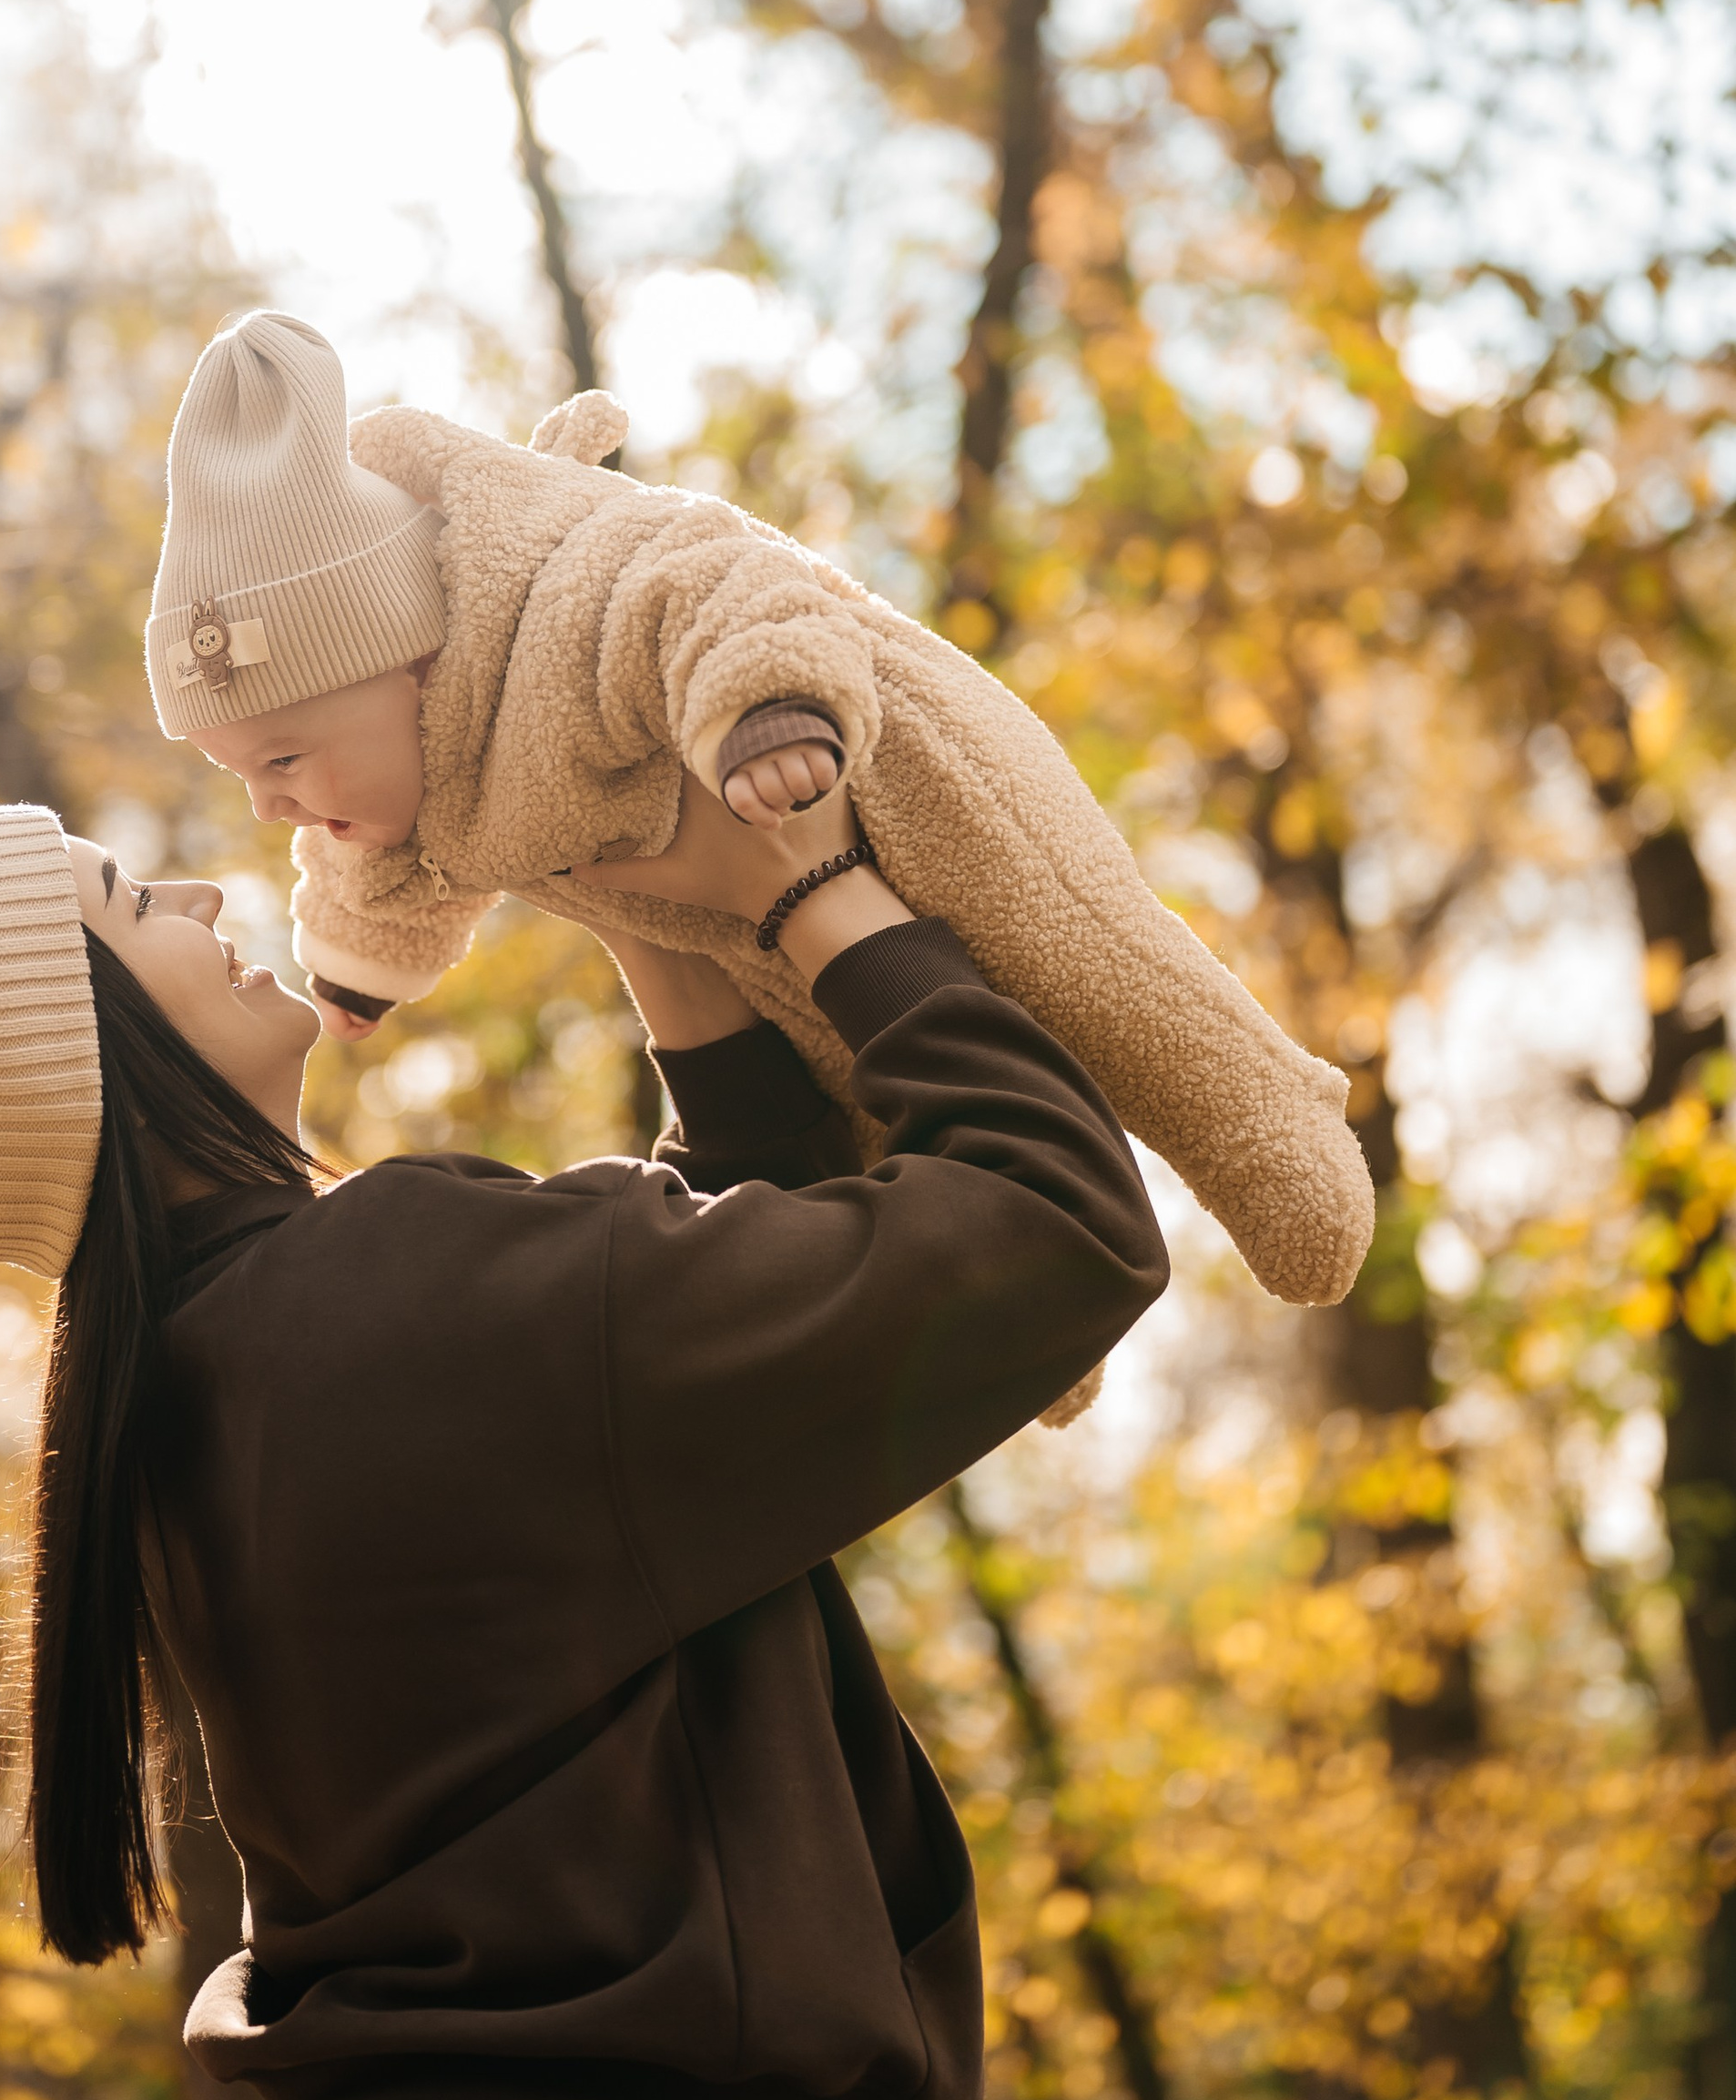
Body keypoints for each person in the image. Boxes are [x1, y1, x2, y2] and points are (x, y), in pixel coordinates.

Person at [0, 767, 1169, 2100]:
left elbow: (724, 1349)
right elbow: (1058, 1225)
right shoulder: (398, 1296)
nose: (211, 901)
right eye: (130, 903)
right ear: (69, 1046)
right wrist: (813, 901)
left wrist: (653, 927)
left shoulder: (193, 1396)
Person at [141, 309, 1371, 1388]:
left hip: (890, 772)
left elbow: (720, 581)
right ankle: (1028, 1328)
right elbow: (372, 873)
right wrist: (358, 965)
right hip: (740, 914)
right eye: (245, 777)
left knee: (1087, 971)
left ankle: (1270, 1120)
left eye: (286, 761)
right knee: (859, 1081)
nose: (273, 811)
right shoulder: (412, 784)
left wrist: (768, 714)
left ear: (401, 661)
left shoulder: (566, 597)